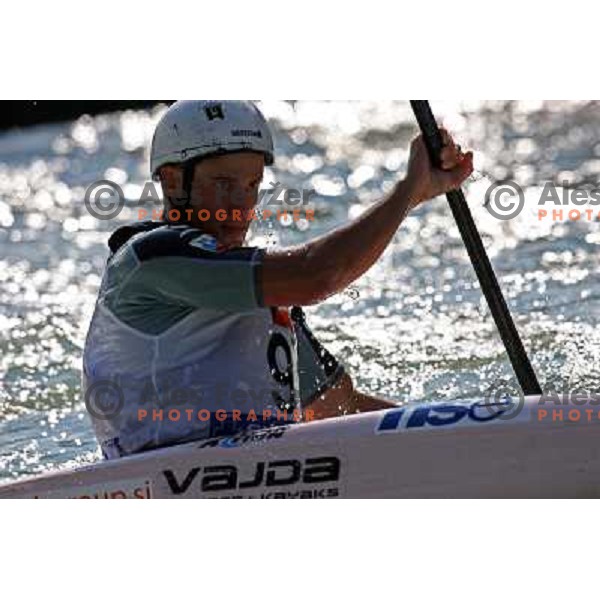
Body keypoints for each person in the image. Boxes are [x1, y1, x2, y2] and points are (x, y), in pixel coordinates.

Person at [83, 100, 473, 459]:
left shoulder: (266, 304)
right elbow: (317, 275)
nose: (240, 204)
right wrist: (408, 192)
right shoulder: (152, 259)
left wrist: (457, 438)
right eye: (223, 184)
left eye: (251, 185)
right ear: (171, 182)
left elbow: (340, 407)